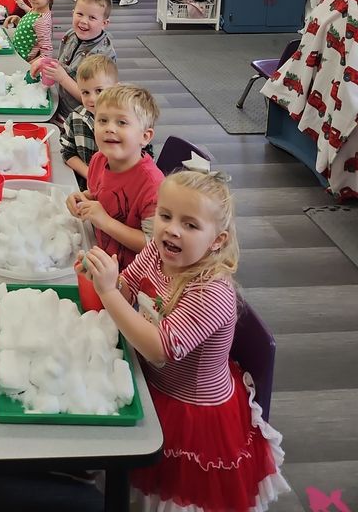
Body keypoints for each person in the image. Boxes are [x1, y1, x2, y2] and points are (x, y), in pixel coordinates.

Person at [81, 168, 290, 512]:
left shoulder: (212, 292)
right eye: (165, 216)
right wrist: (104, 278)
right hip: (151, 381)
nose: (172, 230)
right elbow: (128, 286)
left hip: (191, 411)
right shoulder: (157, 252)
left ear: (217, 240)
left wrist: (107, 292)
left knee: (168, 495)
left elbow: (158, 349)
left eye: (190, 225)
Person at [66, 84, 162, 270]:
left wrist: (106, 222)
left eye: (122, 122)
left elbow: (155, 245)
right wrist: (83, 198)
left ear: (145, 136)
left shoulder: (153, 186)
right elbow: (101, 194)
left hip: (132, 278)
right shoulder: (98, 160)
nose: (109, 128)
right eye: (102, 120)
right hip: (101, 257)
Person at [41, 0, 116, 121]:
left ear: (104, 23)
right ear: (73, 13)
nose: (83, 21)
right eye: (80, 14)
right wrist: (46, 64)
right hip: (61, 105)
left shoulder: (100, 56)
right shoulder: (71, 34)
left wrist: (62, 77)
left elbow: (92, 100)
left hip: (81, 118)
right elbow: (65, 65)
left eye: (92, 18)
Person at [59, 54, 119, 185]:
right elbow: (67, 152)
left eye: (99, 90)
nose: (91, 99)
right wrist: (89, 174)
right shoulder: (75, 118)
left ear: (115, 88)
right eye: (85, 92)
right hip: (84, 186)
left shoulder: (126, 123)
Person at [8, 0, 58, 70]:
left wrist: (28, 66)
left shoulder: (42, 21)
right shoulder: (35, 11)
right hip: (16, 57)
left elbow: (46, 54)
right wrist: (19, 21)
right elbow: (32, 31)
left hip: (22, 64)